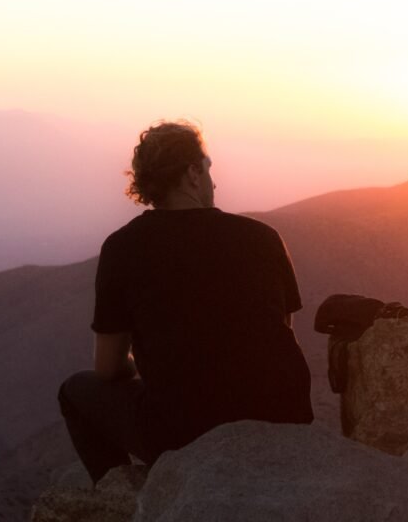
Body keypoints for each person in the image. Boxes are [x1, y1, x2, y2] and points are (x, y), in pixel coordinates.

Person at [58, 120, 313, 484]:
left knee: (74, 392)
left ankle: (122, 498)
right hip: (285, 417)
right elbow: (279, 334)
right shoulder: (262, 238)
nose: (214, 181)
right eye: (208, 169)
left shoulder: (124, 248)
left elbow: (107, 368)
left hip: (185, 433)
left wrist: (147, 370)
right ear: (193, 173)